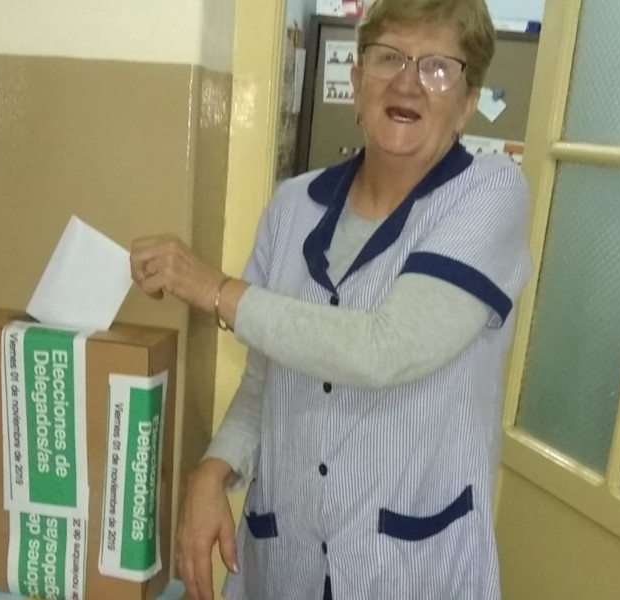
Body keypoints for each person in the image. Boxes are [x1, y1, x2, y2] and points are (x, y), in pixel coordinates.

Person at [130, 0, 532, 598]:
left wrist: (213, 289)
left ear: (469, 101)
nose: (407, 83)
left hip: (410, 564)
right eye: (389, 58)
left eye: (437, 68)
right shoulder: (293, 207)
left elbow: (385, 349)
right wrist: (212, 470)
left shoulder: (490, 195)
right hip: (286, 559)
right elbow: (266, 376)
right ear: (357, 79)